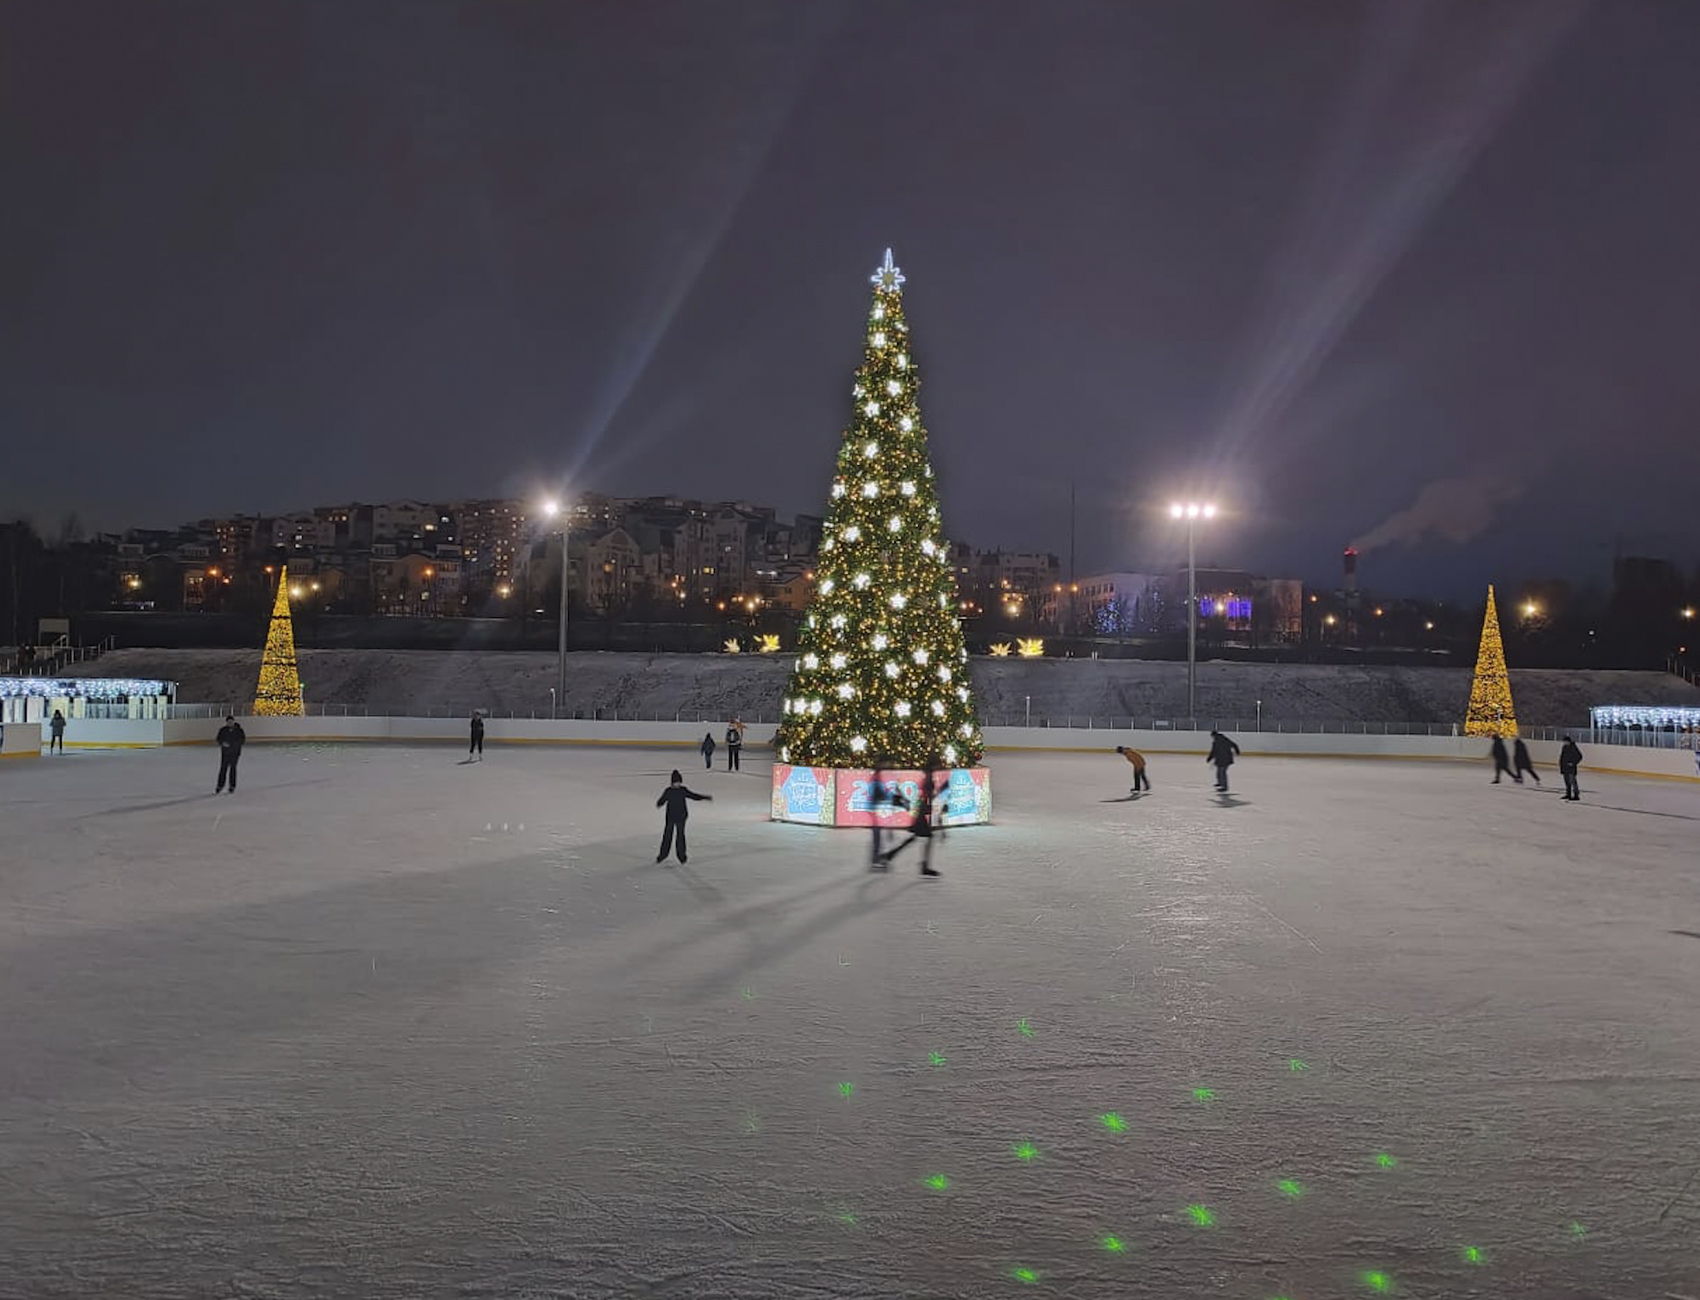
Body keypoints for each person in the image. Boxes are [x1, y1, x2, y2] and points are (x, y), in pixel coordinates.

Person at [878, 763, 942, 877]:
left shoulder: (926, 781)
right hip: (921, 815)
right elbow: (926, 798)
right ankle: (924, 866)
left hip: (920, 814)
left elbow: (924, 798)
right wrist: (929, 810)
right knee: (925, 838)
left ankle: (890, 855)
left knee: (915, 838)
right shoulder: (928, 782)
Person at [655, 769, 711, 864]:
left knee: (680, 836)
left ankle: (682, 856)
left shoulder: (683, 790)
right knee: (667, 836)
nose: (677, 784)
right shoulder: (668, 791)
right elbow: (662, 800)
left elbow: (693, 796)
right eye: (675, 782)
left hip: (681, 816)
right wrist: (660, 803)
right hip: (671, 817)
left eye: (678, 782)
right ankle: (663, 855)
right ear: (672, 783)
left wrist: (704, 797)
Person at [215, 714, 246, 794]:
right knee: (223, 769)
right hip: (225, 753)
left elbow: (242, 740)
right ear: (226, 722)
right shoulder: (223, 730)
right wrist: (223, 743)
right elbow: (218, 739)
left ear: (233, 721)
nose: (230, 723)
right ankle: (220, 786)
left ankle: (232, 786)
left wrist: (234, 745)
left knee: (233, 769)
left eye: (231, 721)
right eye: (228, 722)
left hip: (235, 753)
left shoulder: (239, 730)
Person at [1558, 736, 1584, 801]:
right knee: (1567, 782)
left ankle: (1576, 795)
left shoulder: (1573, 747)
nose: (1564, 743)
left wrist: (1573, 763)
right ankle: (1568, 794)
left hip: (1571, 768)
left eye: (1565, 741)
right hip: (1565, 768)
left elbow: (1579, 756)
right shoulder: (1564, 747)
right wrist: (1561, 766)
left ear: (1568, 741)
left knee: (1573, 782)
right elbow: (1562, 757)